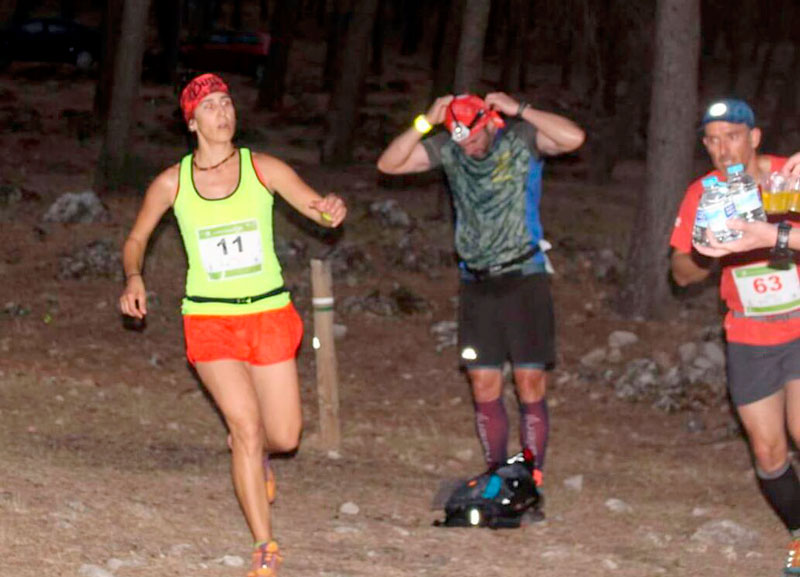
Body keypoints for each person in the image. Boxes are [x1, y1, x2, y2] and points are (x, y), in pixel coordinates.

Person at [119, 73, 346, 577]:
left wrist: (332, 209)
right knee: (245, 426)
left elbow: (320, 210)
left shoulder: (263, 168)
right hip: (209, 318)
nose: (223, 113)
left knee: (284, 436)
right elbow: (136, 240)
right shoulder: (172, 183)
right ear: (192, 122)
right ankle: (265, 545)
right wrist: (134, 277)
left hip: (267, 313)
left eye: (227, 103)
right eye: (211, 106)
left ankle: (257, 454)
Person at [376, 92, 585, 513]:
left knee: (529, 382)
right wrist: (424, 121)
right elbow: (389, 164)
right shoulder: (449, 148)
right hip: (477, 282)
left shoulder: (521, 140)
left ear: (490, 122)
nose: (468, 147)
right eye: (460, 140)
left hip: (524, 276)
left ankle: (530, 479)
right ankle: (497, 474)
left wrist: (520, 109)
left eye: (473, 138)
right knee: (483, 383)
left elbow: (573, 138)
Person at [670, 98, 800, 574]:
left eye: (733, 137)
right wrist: (705, 253)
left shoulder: (790, 176)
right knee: (768, 452)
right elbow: (680, 273)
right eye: (712, 141)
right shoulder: (703, 193)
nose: (723, 149)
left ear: (755, 137)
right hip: (749, 331)